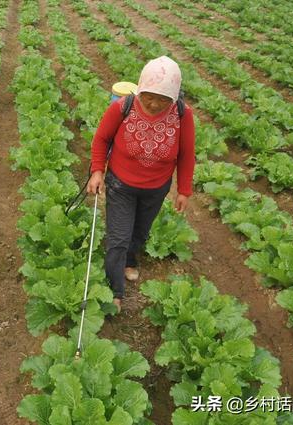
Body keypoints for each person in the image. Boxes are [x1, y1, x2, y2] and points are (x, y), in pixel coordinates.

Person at [87, 56, 195, 313]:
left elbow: (187, 154)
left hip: (156, 187)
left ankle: (130, 261)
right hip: (121, 184)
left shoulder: (182, 115)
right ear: (140, 89)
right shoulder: (122, 107)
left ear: (174, 98)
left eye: (163, 99)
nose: (155, 104)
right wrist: (97, 171)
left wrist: (184, 190)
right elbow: (101, 140)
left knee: (140, 231)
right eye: (148, 96)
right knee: (118, 237)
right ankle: (115, 291)